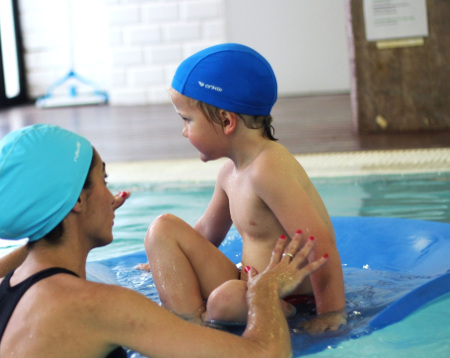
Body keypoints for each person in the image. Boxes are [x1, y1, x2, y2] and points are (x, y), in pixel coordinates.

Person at [0, 124, 328, 358]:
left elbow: (0, 268)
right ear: (75, 201)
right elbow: (267, 354)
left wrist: (60, 218)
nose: (111, 196)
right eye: (103, 183)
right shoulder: (102, 307)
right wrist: (265, 288)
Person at [143, 43, 346, 333]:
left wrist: (331, 313)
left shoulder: (269, 169)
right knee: (161, 229)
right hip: (246, 284)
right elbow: (205, 235)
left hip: (288, 296)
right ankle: (189, 324)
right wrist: (165, 260)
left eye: (187, 119)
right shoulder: (230, 173)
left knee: (224, 301)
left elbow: (319, 246)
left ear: (226, 121)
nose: (183, 130)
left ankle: (205, 326)